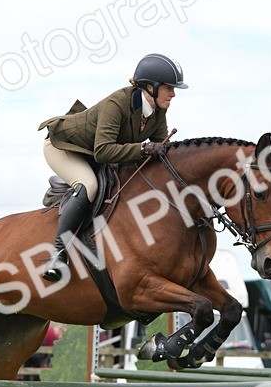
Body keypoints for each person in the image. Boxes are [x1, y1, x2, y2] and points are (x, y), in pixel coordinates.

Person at [36, 53, 187, 281]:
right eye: (169, 88)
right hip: (65, 148)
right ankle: (58, 253)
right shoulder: (117, 104)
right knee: (89, 185)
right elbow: (104, 151)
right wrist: (144, 149)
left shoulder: (158, 111)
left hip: (95, 153)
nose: (173, 94)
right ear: (150, 87)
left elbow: (158, 151)